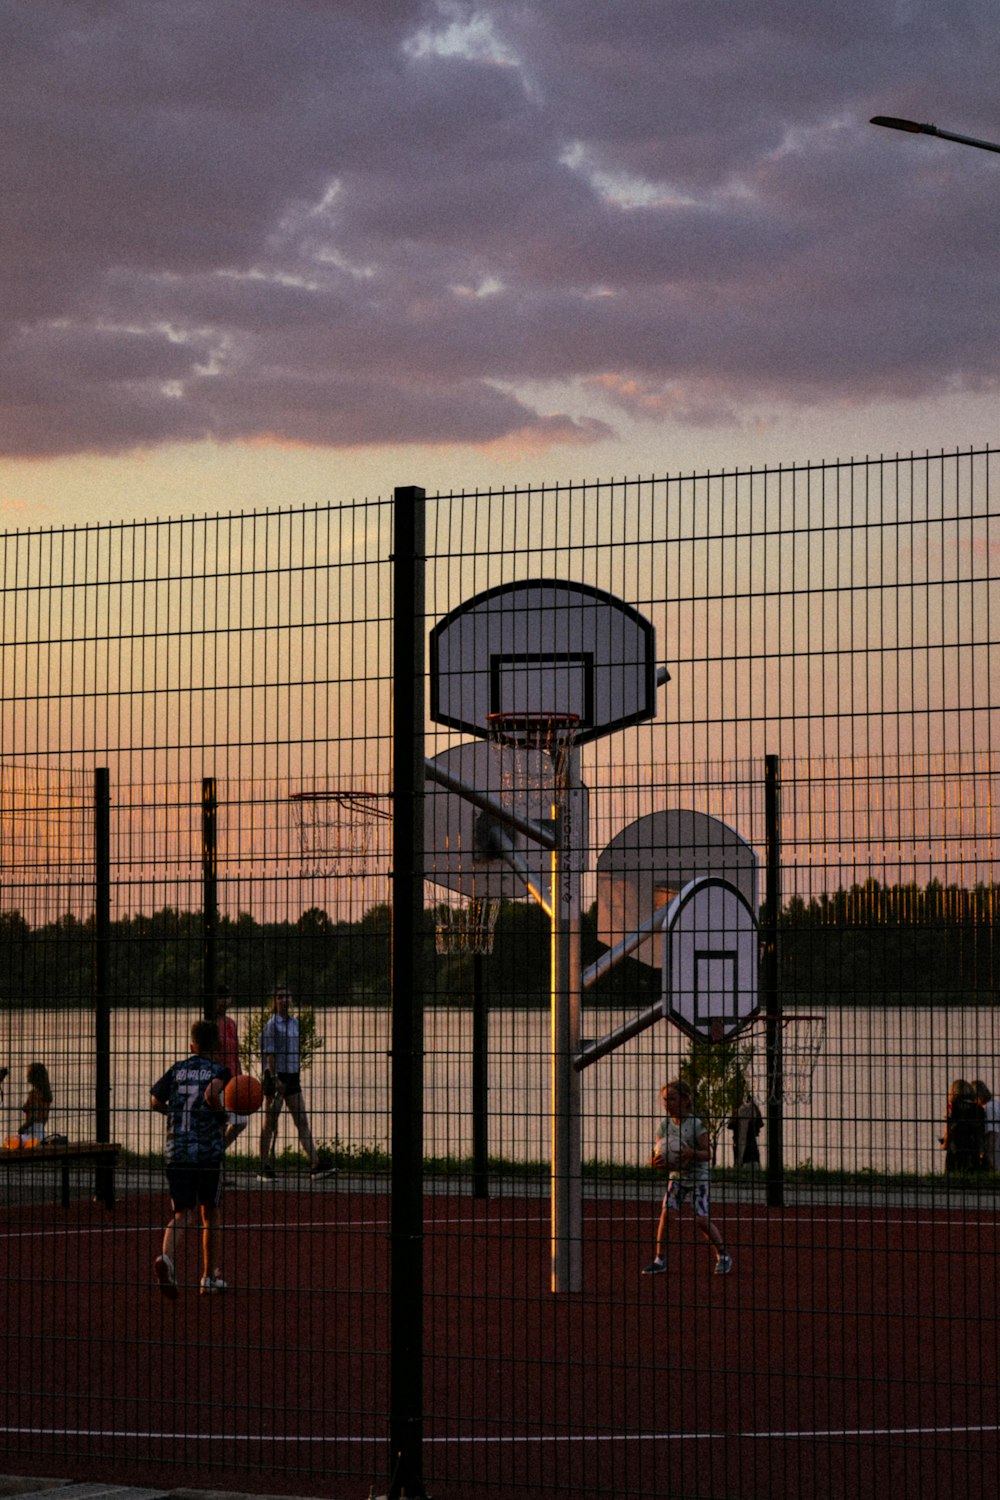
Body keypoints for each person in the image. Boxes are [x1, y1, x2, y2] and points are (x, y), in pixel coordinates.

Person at [150, 1018, 231, 1298]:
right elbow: (211, 1094)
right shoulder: (220, 1070)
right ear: (218, 1045)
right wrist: (220, 1113)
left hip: (177, 1150)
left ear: (191, 1045)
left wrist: (173, 1112)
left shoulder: (177, 1069)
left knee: (182, 1213)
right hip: (207, 1152)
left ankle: (167, 1259)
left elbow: (154, 1101)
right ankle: (208, 1277)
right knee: (211, 1214)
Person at [643, 1078, 732, 1277]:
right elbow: (658, 1152)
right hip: (676, 1178)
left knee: (701, 1220)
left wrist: (691, 1153)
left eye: (672, 1099)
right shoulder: (664, 1126)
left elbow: (707, 1154)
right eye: (665, 1100)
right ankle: (660, 1259)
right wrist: (654, 1162)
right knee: (666, 1215)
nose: (668, 1104)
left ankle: (723, 1254)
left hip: (698, 1178)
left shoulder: (696, 1125)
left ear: (684, 1100)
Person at [257, 986, 334, 1181]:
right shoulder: (271, 1024)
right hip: (276, 1076)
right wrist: (275, 1079)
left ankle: (316, 1164)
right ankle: (264, 1165)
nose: (284, 1000)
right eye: (280, 996)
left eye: (287, 996)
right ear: (275, 1000)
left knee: (301, 1120)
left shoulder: (295, 1023)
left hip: (292, 1076)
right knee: (270, 1122)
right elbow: (269, 1054)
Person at [215, 987, 247, 1149]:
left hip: (234, 1079)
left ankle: (218, 1152)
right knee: (221, 1123)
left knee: (241, 1122)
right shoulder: (210, 1023)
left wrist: (240, 1078)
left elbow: (236, 1054)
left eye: (226, 997)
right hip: (218, 1079)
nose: (224, 1001)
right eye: (220, 997)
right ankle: (216, 1165)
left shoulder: (231, 1023)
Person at [941, 1079, 985, 1174]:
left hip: (955, 1149)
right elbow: (980, 1134)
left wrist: (944, 1144)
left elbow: (948, 1130)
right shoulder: (979, 1109)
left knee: (952, 1177)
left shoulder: (951, 1106)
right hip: (972, 1149)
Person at [728, 1093, 763, 1168]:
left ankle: (740, 1164)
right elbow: (760, 1123)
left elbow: (731, 1124)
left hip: (743, 1137)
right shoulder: (753, 1108)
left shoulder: (739, 1108)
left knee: (744, 1150)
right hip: (748, 1137)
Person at [20, 1063, 52, 1144]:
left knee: (9, 1142)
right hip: (43, 1133)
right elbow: (45, 1118)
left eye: (28, 1073)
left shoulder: (34, 1095)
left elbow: (33, 1117)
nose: (26, 1075)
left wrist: (22, 1128)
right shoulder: (46, 1094)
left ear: (34, 1077)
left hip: (32, 1134)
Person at [972, 1080, 998, 1171]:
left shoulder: (989, 1107)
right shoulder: (995, 1104)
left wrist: (984, 1151)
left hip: (992, 1140)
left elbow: (992, 1130)